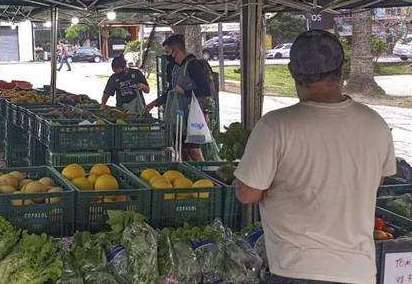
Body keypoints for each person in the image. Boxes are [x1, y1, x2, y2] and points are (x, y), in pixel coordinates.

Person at [233, 30, 396, 284]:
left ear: (291, 70)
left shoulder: (276, 126)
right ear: (342, 67)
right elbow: (376, 182)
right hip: (359, 272)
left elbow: (247, 194)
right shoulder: (375, 123)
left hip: (297, 269)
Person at [144, 34, 212, 161]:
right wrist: (153, 103)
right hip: (179, 118)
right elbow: (171, 91)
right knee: (182, 151)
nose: (167, 56)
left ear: (176, 51)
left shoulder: (192, 65)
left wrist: (185, 92)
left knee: (194, 151)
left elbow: (205, 90)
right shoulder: (176, 68)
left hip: (192, 117)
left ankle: (203, 172)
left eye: (167, 52)